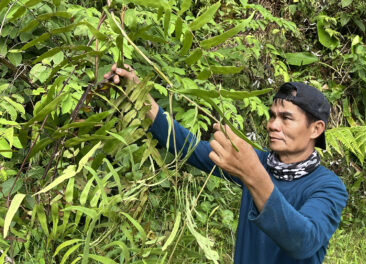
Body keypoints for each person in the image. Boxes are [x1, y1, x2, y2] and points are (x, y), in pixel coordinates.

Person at [104, 64, 348, 264]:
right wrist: (140, 94)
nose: (273, 124)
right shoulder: (258, 162)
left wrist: (252, 173)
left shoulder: (327, 186)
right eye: (273, 115)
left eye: (286, 118)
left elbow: (303, 241)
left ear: (316, 129)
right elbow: (188, 147)